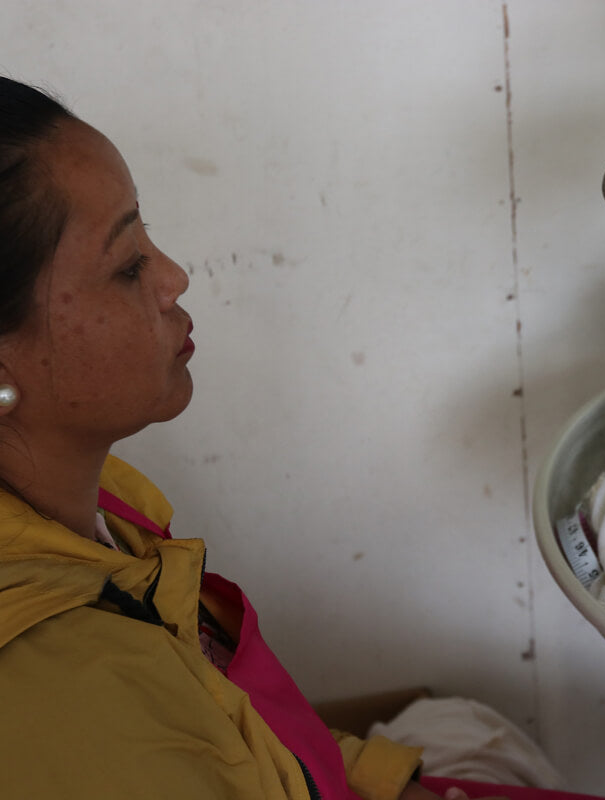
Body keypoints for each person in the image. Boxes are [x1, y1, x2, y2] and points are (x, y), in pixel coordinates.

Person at [0, 77, 557, 800]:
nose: (174, 277)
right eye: (129, 265)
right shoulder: (76, 693)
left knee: (462, 726)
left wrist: (395, 783)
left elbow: (252, 736)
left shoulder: (98, 504)